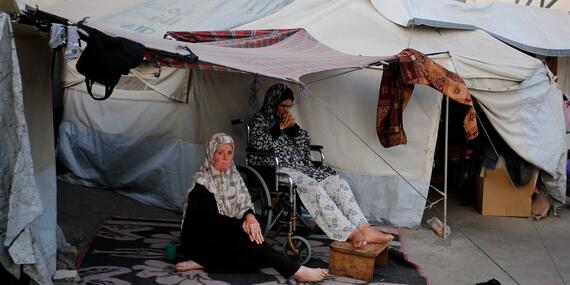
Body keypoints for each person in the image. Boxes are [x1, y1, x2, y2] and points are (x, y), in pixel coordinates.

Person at [248, 84, 393, 248]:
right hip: (274, 168)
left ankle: (364, 228)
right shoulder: (259, 120)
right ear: (272, 103)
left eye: (289, 106)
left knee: (338, 184)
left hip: (298, 167)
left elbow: (304, 145)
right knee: (311, 186)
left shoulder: (286, 121)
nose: (286, 110)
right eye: (283, 106)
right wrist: (278, 129)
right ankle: (349, 233)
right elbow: (258, 145)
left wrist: (293, 129)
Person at [176, 133, 328, 282]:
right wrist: (242, 225)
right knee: (246, 235)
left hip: (223, 234)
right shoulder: (202, 182)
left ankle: (204, 262)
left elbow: (244, 203)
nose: (226, 157)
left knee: (253, 258)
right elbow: (211, 220)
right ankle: (295, 270)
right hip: (199, 241)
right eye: (220, 152)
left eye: (229, 152)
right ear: (211, 154)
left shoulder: (233, 175)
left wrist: (250, 217)